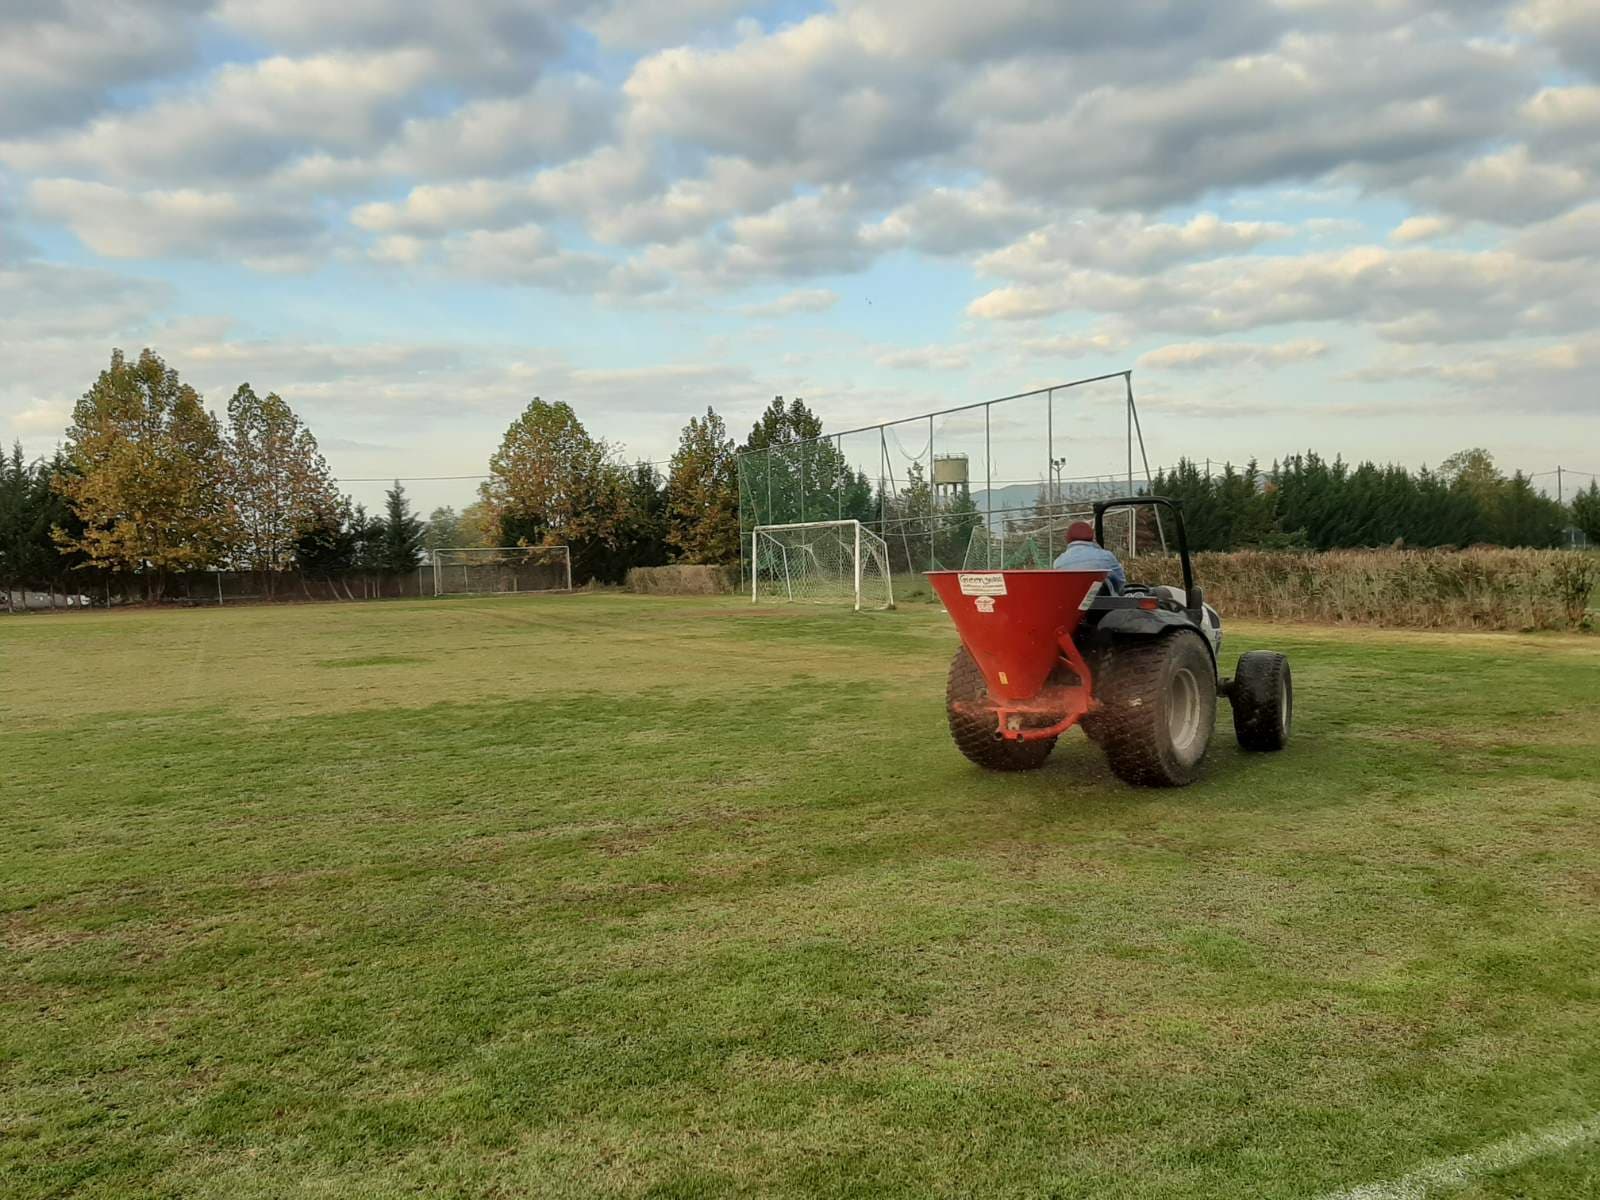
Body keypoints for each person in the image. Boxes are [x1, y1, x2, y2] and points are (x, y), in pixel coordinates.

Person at [1052, 521, 1125, 594]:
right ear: (1093, 537)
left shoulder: (1059, 562)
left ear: (1067, 538)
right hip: (1104, 603)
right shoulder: (1106, 557)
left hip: (1072, 604)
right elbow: (1120, 583)